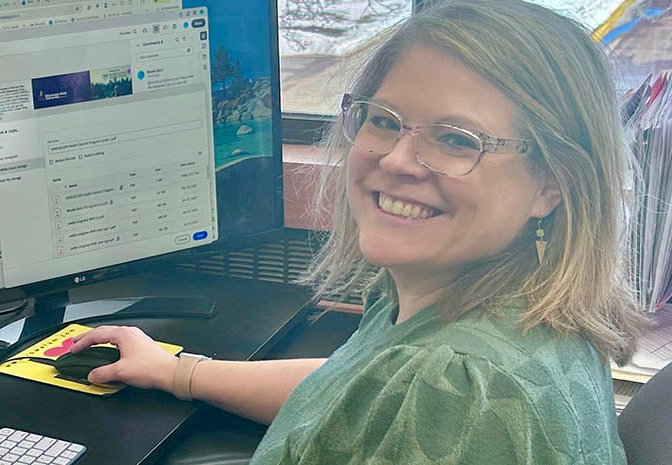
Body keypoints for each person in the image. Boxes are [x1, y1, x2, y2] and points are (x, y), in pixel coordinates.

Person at [69, 1, 650, 463]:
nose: (397, 159)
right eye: (384, 120)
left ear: (553, 183)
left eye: (457, 139)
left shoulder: (461, 386)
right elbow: (351, 387)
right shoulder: (480, 302)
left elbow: (411, 394)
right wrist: (179, 371)